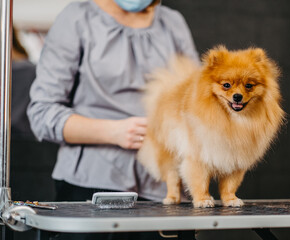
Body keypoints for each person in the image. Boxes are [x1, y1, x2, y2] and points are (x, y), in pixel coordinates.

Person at [27, 0, 198, 238]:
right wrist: (114, 132)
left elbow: (196, 101)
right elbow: (42, 113)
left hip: (165, 191)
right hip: (91, 188)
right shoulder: (77, 19)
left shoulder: (172, 23)